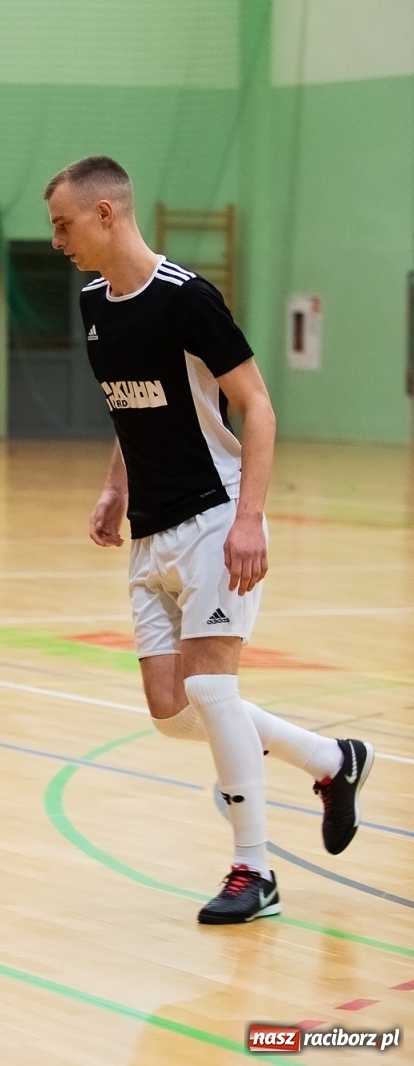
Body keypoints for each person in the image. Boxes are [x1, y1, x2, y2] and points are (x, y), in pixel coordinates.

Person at [45, 155, 372, 925]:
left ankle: (253, 871)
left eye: (63, 225)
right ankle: (332, 762)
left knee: (212, 690)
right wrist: (114, 484)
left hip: (213, 514)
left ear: (105, 215)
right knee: (171, 707)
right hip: (151, 528)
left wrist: (251, 517)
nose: (56, 240)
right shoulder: (96, 302)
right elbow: (134, 409)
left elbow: (257, 406)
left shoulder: (186, 299)